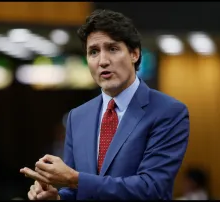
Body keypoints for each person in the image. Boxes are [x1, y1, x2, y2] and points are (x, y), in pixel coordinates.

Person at [20, 9, 190, 200]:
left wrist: (75, 179)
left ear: (134, 53)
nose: (103, 61)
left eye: (112, 49)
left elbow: (152, 188)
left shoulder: (168, 112)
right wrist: (57, 198)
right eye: (93, 52)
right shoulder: (77, 117)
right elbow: (74, 191)